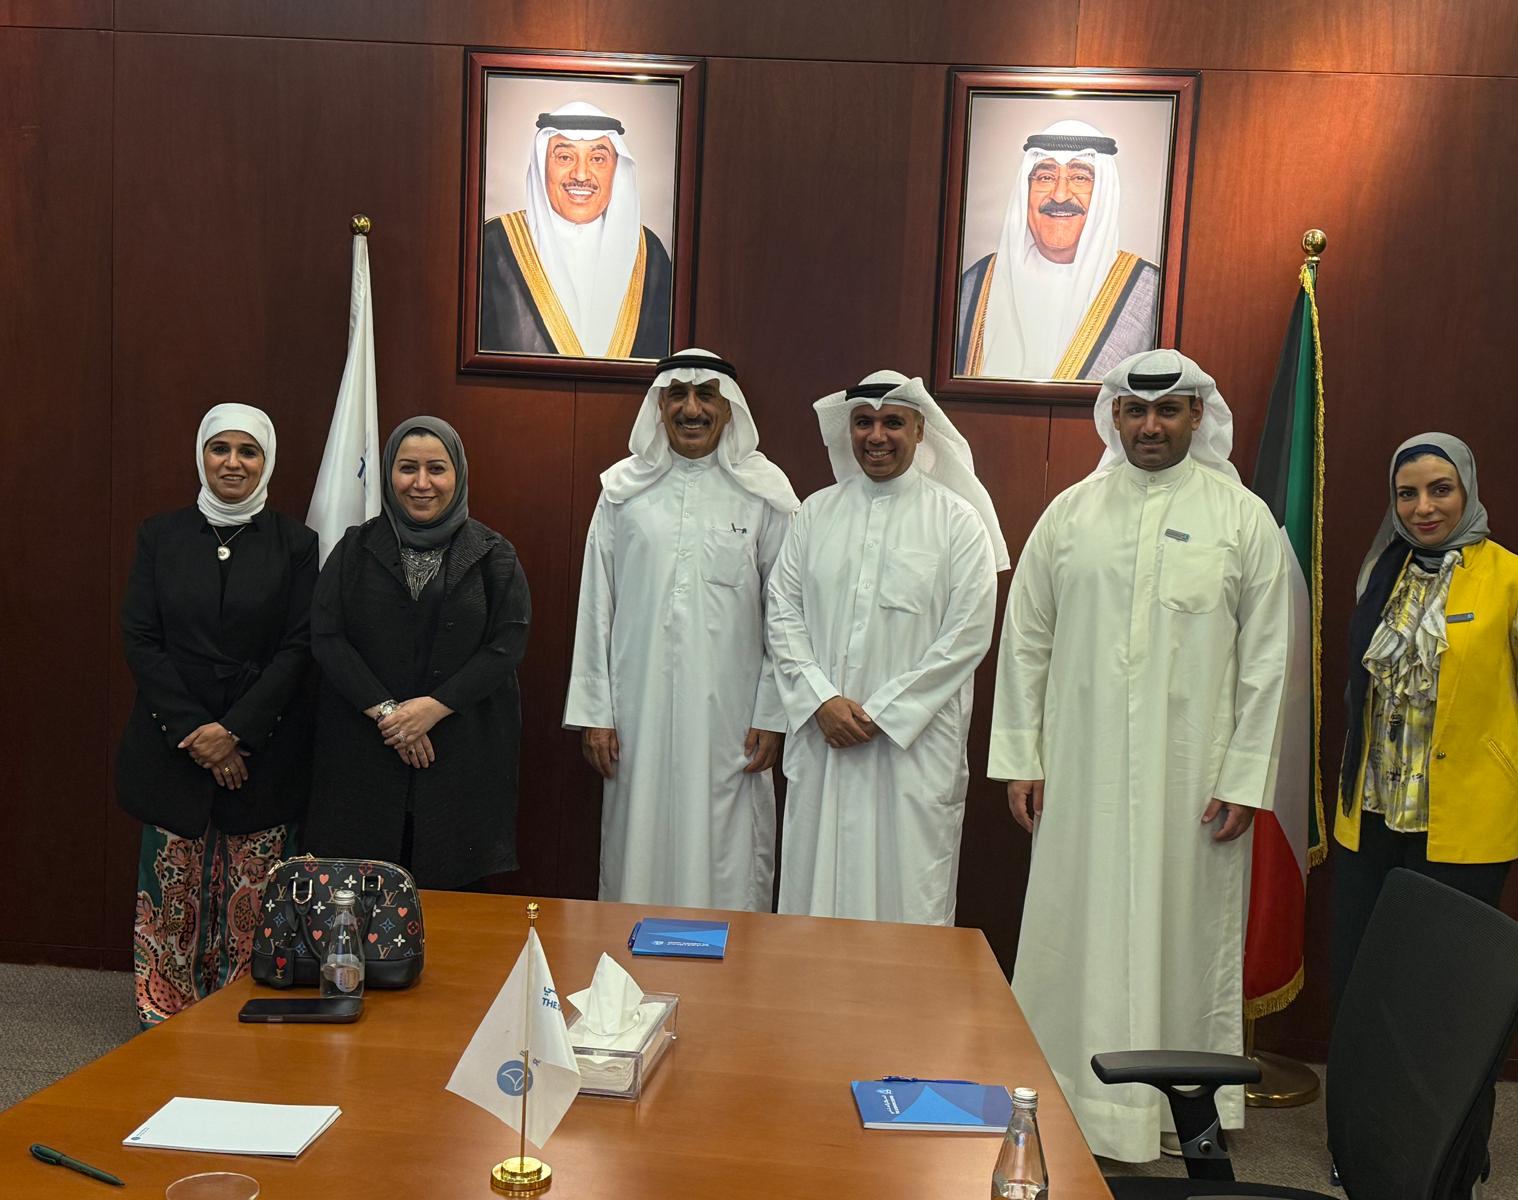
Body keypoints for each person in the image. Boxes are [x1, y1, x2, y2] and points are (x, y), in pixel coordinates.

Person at [989, 349, 1290, 1162]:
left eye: (1168, 411)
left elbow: (1269, 660)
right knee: (1072, 930)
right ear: (1114, 417)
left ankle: (1174, 1113)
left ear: (1198, 416)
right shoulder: (1070, 515)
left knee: (1184, 937)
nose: (1150, 426)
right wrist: (1023, 757)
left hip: (1193, 785)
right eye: (1135, 410)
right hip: (1079, 775)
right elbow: (1026, 641)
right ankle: (1067, 1099)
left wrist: (1245, 777)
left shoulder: (1242, 520)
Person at [1332, 434, 1518, 1004]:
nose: (1423, 508)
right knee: (1366, 977)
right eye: (1407, 494)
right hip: (1372, 810)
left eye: (1441, 490)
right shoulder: (1380, 572)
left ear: (1468, 490)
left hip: (1465, 813)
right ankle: (1366, 1070)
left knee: (1445, 990)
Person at [766, 372, 1006, 925]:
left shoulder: (957, 521)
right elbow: (781, 611)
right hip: (824, 740)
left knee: (909, 900)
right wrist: (821, 700)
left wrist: (884, 712)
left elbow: (967, 635)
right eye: (864, 423)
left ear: (920, 430)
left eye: (892, 422)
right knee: (815, 895)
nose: (877, 436)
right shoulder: (815, 513)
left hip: (911, 751)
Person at [565, 350, 799, 909]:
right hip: (636, 715)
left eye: (706, 396)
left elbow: (787, 614)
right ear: (659, 406)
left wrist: (773, 713)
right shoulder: (621, 492)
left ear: (729, 408)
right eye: (678, 396)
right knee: (637, 848)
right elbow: (596, 605)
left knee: (727, 853)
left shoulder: (765, 494)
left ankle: (731, 963)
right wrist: (596, 713)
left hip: (733, 721)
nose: (691, 410)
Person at [118, 404, 318, 1026]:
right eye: (220, 448)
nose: (233, 463)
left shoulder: (296, 544)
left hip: (261, 747)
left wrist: (234, 733)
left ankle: (237, 1018)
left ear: (267, 461)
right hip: (172, 743)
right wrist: (195, 732)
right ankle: (163, 1016)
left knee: (252, 893)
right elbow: (141, 639)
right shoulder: (160, 536)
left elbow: (300, 647)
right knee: (171, 891)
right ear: (201, 455)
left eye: (248, 451)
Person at [303, 417, 531, 889]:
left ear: (458, 474)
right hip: (364, 756)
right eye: (407, 468)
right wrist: (392, 715)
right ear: (389, 473)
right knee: (361, 905)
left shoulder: (495, 554)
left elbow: (507, 644)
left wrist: (432, 708)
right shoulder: (354, 548)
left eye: (436, 469)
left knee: (453, 904)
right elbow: (326, 637)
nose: (421, 483)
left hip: (459, 757)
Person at [956, 119, 1158, 381]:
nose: (1060, 195)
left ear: (1103, 194)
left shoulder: (1149, 292)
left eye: (1080, 178)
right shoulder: (977, 282)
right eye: (1045, 177)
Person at [480, 100, 671, 359]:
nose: (581, 175)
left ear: (617, 169)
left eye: (598, 159)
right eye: (565, 157)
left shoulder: (649, 252)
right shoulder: (493, 244)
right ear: (542, 165)